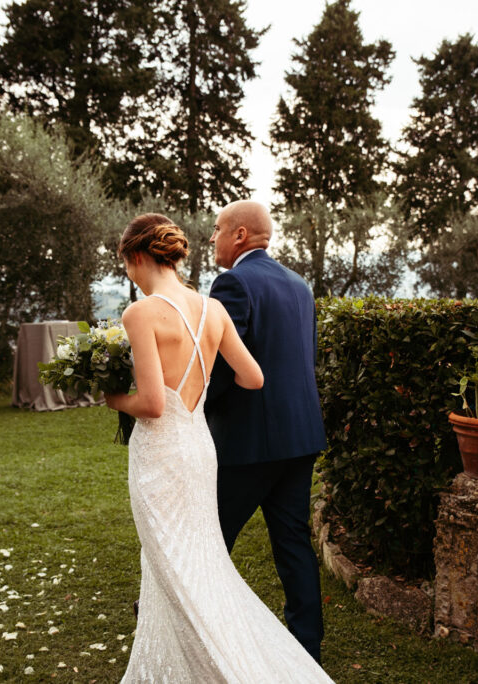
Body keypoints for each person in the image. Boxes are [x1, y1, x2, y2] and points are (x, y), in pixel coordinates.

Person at [104, 214, 333, 683]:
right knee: (226, 555)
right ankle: (295, 649)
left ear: (138, 255)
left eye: (125, 263)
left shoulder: (150, 309)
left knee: (181, 561)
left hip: (181, 450)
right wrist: (199, 383)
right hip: (233, 442)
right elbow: (254, 375)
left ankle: (215, 660)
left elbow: (149, 403)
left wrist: (114, 398)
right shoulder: (227, 304)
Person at [204, 200, 329, 663]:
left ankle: (188, 626)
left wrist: (194, 407)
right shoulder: (300, 285)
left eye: (217, 230)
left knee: (209, 537)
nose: (212, 239)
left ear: (239, 235)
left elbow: (220, 364)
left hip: (249, 441)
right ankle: (307, 649)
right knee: (294, 543)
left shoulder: (232, 282)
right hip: (301, 437)